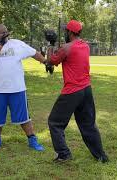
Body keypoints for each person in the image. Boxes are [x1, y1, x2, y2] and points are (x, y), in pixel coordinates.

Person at [46, 20, 109, 163]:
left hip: (72, 91)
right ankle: (101, 156)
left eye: (66, 31)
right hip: (86, 90)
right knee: (88, 124)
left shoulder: (66, 48)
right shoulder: (85, 46)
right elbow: (66, 56)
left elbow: (51, 61)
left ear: (69, 32)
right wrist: (59, 48)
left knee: (55, 122)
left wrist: (50, 44)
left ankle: (63, 154)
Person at [0, 24, 46, 152]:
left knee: (24, 117)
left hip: (17, 88)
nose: (5, 35)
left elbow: (34, 53)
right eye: (1, 33)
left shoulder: (17, 44)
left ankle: (32, 139)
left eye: (6, 32)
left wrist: (45, 62)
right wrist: (1, 43)